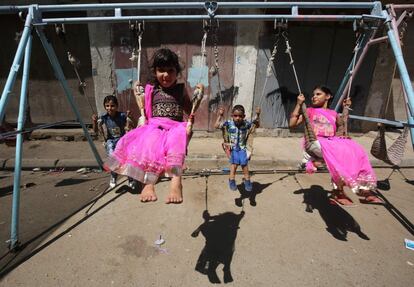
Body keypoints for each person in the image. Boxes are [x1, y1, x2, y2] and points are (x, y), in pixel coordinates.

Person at [105, 48, 199, 204]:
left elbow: (189, 110)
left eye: (171, 70)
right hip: (154, 126)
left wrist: (192, 115)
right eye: (161, 70)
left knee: (177, 144)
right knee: (149, 146)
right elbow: (146, 110)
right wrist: (139, 94)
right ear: (155, 72)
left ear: (177, 72)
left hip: (175, 127)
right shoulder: (151, 90)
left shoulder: (181, 90)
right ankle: (148, 184)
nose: (166, 75)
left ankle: (176, 183)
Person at [289, 85, 381, 205]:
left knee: (357, 150)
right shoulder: (310, 111)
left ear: (327, 96)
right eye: (313, 95)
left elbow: (341, 127)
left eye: (318, 94)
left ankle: (364, 189)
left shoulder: (333, 113)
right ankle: (338, 192)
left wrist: (346, 108)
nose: (313, 97)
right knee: (339, 152)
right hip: (315, 142)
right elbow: (292, 124)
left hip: (332, 142)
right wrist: (298, 104)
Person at [92, 95, 135, 189]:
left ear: (117, 106)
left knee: (126, 159)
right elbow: (95, 131)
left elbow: (133, 125)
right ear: (104, 106)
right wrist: (94, 122)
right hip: (110, 140)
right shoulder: (104, 117)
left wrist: (130, 118)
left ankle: (131, 179)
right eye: (107, 106)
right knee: (113, 158)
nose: (109, 108)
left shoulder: (122, 116)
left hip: (122, 140)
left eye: (112, 106)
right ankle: (113, 176)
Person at [215, 105, 260, 192]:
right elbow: (216, 125)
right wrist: (220, 115)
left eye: (240, 116)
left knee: (244, 164)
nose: (238, 118)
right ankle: (231, 180)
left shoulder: (246, 124)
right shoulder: (228, 124)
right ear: (232, 116)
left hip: (243, 148)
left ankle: (247, 180)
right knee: (234, 164)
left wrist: (258, 115)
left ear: (244, 116)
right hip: (233, 148)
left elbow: (256, 125)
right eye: (235, 116)